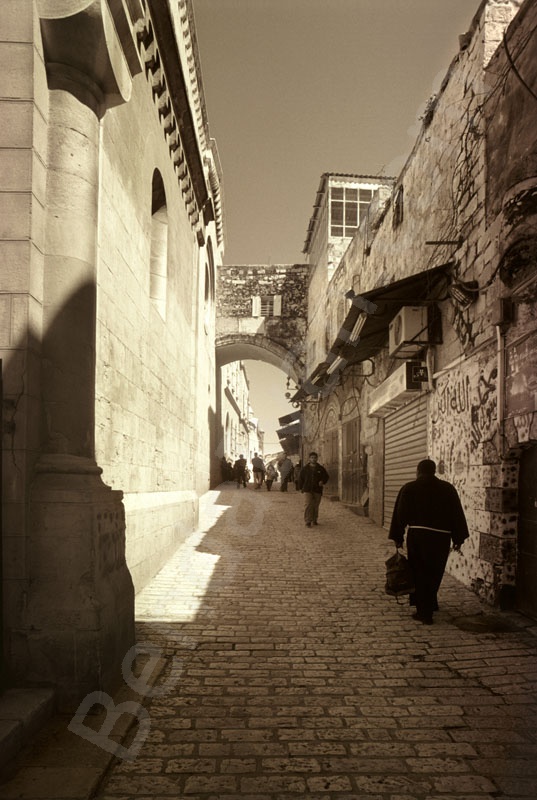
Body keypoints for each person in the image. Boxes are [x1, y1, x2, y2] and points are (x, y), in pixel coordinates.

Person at [388, 458, 469, 625]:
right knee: (435, 571)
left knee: (419, 571)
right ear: (434, 471)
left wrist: (398, 537)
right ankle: (430, 603)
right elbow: (457, 514)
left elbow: (400, 514)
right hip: (441, 537)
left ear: (418, 472)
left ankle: (424, 613)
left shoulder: (409, 488)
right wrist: (458, 538)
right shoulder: (448, 489)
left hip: (418, 536)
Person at [297, 452, 329, 527]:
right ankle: (308, 520)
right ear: (309, 459)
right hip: (307, 489)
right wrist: (301, 488)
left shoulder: (320, 469)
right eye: (312, 458)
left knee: (315, 505)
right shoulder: (305, 469)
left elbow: (326, 477)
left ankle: (314, 519)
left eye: (315, 458)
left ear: (317, 458)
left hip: (317, 490)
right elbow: (301, 479)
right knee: (308, 505)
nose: (313, 459)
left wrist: (322, 481)